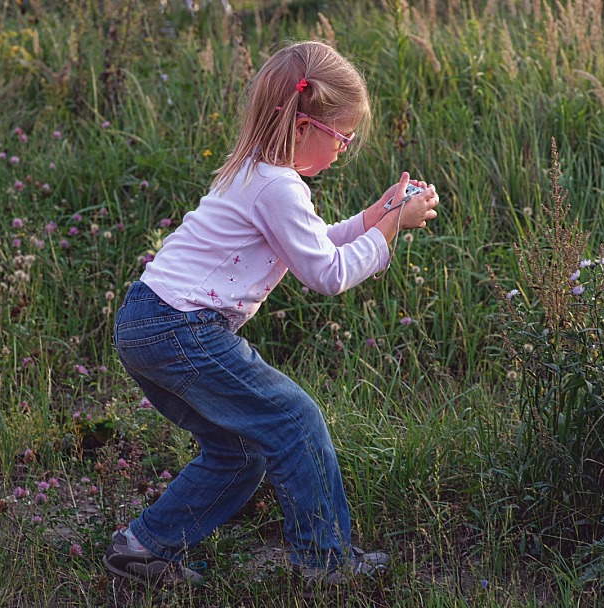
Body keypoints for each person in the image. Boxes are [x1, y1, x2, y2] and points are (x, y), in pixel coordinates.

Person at [103, 40, 439, 592]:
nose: (343, 152)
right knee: (295, 420)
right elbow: (327, 274)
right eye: (344, 139)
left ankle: (144, 548)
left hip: (150, 322)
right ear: (305, 125)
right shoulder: (279, 186)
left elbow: (313, 247)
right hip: (180, 327)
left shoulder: (254, 173)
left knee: (240, 449)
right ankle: (324, 563)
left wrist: (375, 216)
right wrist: (392, 229)